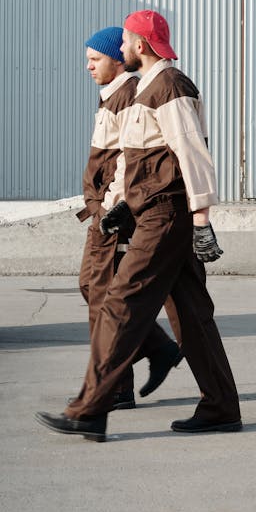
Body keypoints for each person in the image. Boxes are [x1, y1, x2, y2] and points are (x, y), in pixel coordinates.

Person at [37, 10, 240, 441]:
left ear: (139, 46)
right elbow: (134, 162)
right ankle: (221, 406)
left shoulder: (169, 86)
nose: (122, 46)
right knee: (191, 313)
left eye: (126, 40)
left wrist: (202, 220)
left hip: (166, 214)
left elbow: (192, 153)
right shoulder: (146, 88)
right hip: (149, 211)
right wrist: (120, 206)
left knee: (120, 304)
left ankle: (90, 409)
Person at [72, 26, 184, 410]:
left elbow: (127, 159)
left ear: (117, 61)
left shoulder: (127, 95)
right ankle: (158, 348)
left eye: (95, 59)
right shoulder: (112, 95)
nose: (88, 66)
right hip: (102, 209)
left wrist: (112, 206)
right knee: (93, 287)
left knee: (103, 294)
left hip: (113, 212)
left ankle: (116, 388)